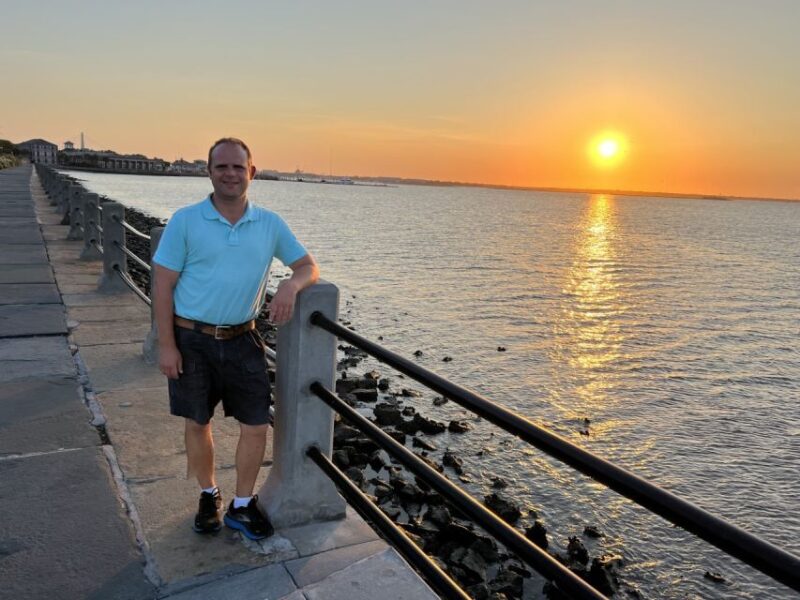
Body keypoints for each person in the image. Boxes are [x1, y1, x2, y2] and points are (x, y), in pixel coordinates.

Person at [152, 137, 319, 540]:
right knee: (197, 421)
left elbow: (307, 265)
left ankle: (242, 505)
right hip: (191, 338)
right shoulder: (186, 221)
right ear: (209, 172)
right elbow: (162, 284)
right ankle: (209, 495)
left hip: (244, 339)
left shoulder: (270, 224)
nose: (230, 174)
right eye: (221, 167)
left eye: (237, 167)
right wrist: (166, 344)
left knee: (257, 424)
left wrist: (290, 287)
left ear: (252, 172)